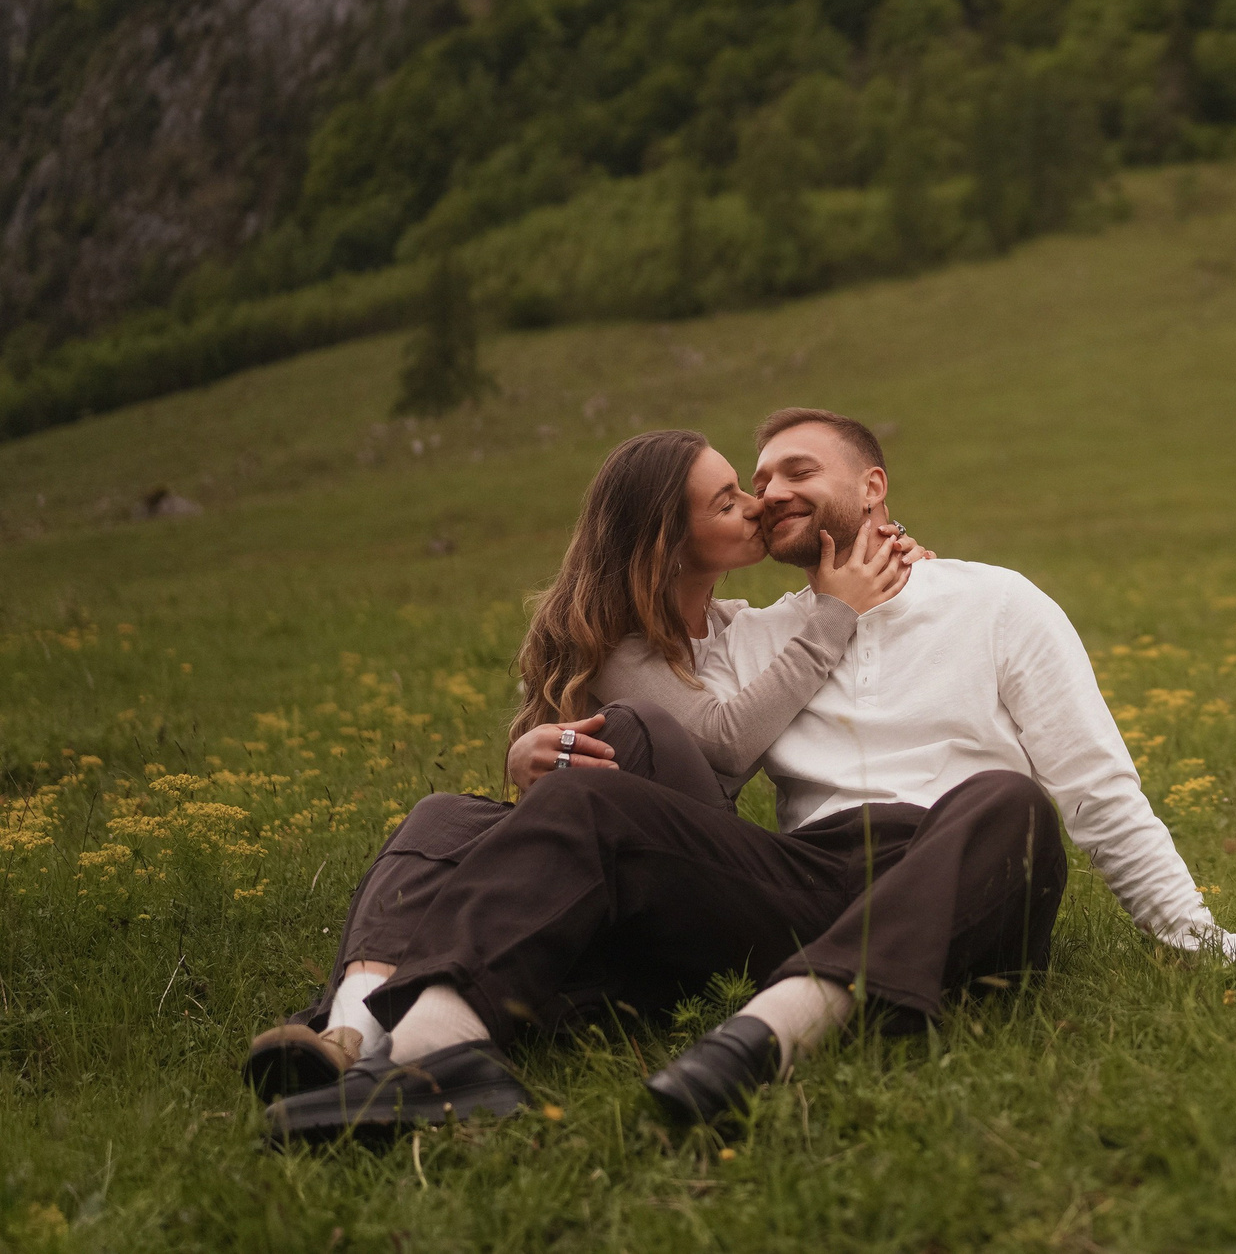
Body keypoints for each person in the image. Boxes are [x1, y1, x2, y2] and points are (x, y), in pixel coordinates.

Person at [266, 407, 1236, 1145]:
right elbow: (648, 721)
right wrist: (534, 751)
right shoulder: (753, 634)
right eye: (755, 478)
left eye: (795, 469)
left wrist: (1192, 936)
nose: (769, 489)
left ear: (873, 488)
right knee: (534, 801)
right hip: (807, 876)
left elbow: (1096, 787)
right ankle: (428, 1057)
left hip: (964, 867)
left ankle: (759, 1038)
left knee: (1009, 799)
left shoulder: (995, 601)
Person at [239, 428, 915, 1099]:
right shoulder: (623, 646)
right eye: (727, 500)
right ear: (667, 542)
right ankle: (348, 1031)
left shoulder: (736, 625)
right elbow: (722, 736)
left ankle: (385, 1030)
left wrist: (887, 551)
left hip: (691, 867)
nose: (757, 504)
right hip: (619, 848)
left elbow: (745, 715)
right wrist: (521, 752)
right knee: (443, 812)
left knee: (634, 729)